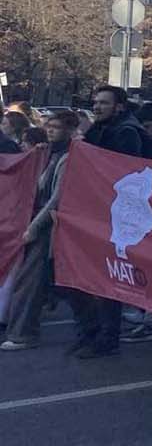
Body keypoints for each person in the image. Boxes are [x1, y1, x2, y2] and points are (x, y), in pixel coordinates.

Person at [68, 85, 147, 358]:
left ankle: (106, 337)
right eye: (96, 102)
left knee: (107, 278)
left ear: (119, 107)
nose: (97, 107)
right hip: (98, 211)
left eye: (103, 102)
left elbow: (124, 171)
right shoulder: (101, 128)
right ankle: (92, 332)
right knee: (84, 275)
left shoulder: (126, 132)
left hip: (113, 214)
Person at [0, 110, 75, 352]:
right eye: (48, 125)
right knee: (33, 280)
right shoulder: (48, 153)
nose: (50, 130)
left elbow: (56, 197)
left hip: (46, 225)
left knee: (29, 281)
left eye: (56, 127)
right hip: (37, 221)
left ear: (69, 131)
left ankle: (23, 333)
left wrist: (34, 227)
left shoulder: (67, 157)